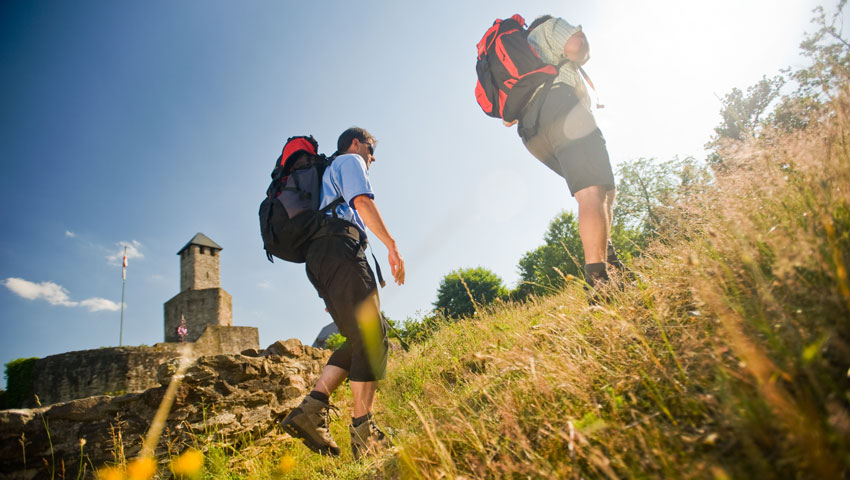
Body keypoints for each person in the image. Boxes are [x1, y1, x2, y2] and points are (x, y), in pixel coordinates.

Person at [280, 127, 405, 460]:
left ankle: (311, 411)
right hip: (340, 251)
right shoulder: (349, 160)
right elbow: (361, 202)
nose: (372, 156)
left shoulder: (324, 182)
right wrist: (391, 246)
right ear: (355, 142)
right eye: (370, 148)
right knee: (373, 334)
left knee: (357, 339)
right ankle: (364, 430)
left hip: (322, 259)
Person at [511, 15, 623, 288]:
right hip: (561, 108)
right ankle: (599, 283)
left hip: (532, 133)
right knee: (591, 192)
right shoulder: (549, 27)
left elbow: (506, 118)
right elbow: (575, 47)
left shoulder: (518, 53)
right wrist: (581, 42)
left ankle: (613, 265)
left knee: (602, 190)